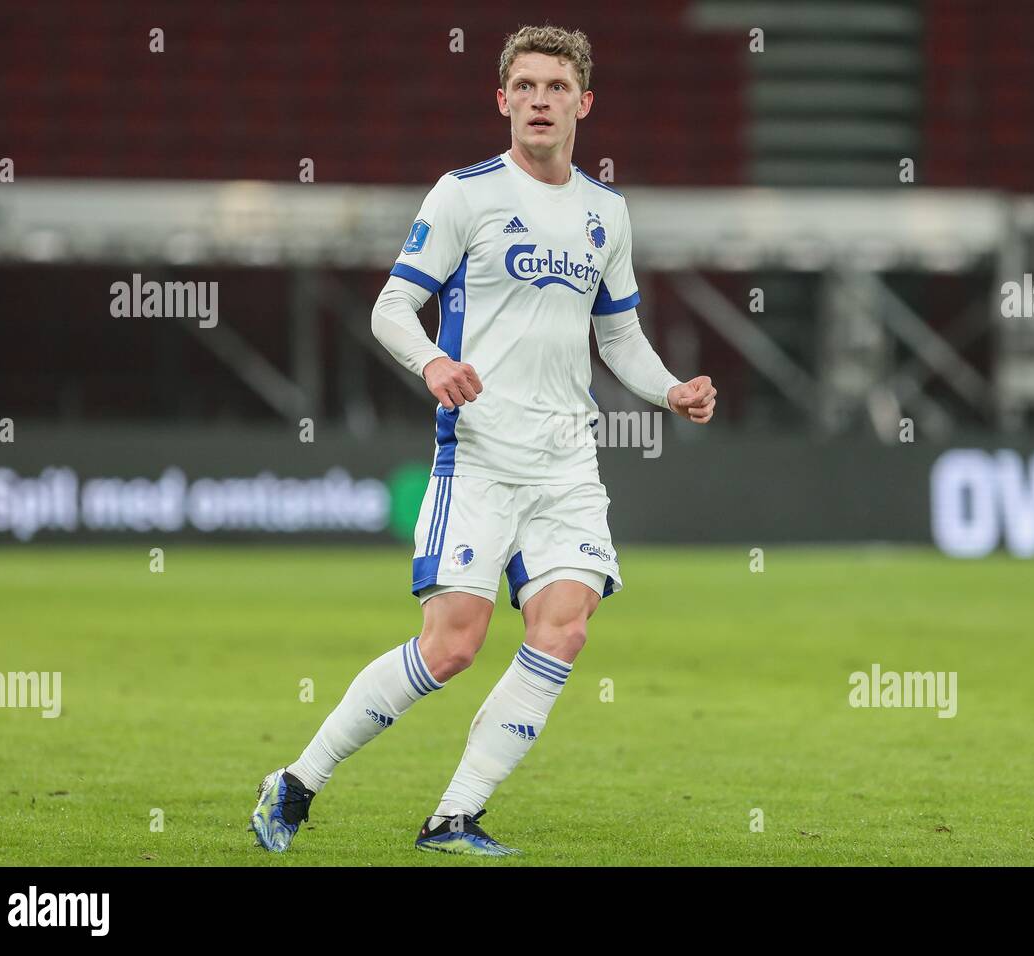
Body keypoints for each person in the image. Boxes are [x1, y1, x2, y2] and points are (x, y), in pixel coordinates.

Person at [251, 23, 716, 856]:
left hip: (567, 460)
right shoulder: (464, 195)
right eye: (526, 87)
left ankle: (453, 816)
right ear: (502, 101)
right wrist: (433, 363)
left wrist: (670, 389)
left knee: (564, 628)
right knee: (453, 645)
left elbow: (618, 337)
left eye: (557, 87)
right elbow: (392, 307)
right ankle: (296, 781)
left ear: (584, 103)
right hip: (480, 457)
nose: (541, 101)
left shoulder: (607, 214)